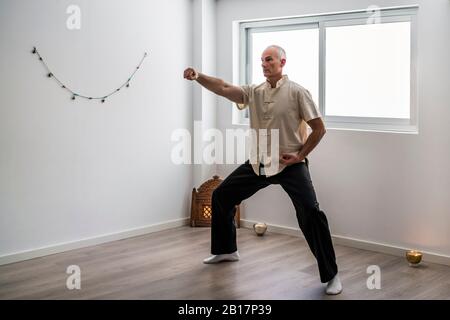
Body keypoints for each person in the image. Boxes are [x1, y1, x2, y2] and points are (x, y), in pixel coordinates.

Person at [183, 45, 342, 295]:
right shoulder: (255, 92)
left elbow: (319, 129)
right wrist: (199, 76)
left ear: (282, 62)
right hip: (259, 162)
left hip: (291, 164)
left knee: (311, 212)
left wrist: (300, 155)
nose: (264, 64)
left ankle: (331, 275)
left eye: (269, 60)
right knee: (222, 196)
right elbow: (224, 88)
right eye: (262, 60)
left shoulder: (298, 92)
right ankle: (226, 251)